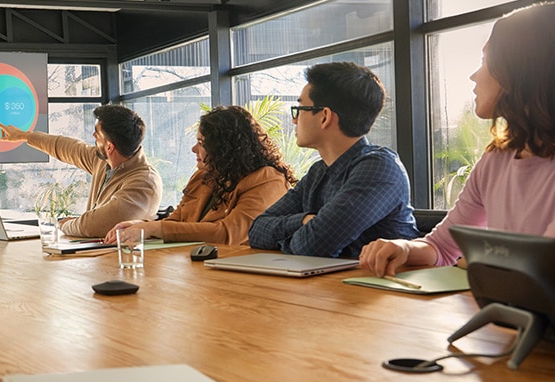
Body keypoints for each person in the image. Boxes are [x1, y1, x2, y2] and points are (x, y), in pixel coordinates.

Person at [360, 3, 555, 277]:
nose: (474, 76)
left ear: (519, 69)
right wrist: (403, 247)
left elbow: (542, 267)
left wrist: (480, 261)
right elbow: (442, 247)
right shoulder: (495, 159)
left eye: (485, 61)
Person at [247, 62, 419, 258]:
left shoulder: (380, 168)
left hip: (384, 279)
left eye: (300, 109)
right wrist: (304, 221)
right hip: (329, 277)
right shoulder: (318, 171)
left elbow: (312, 246)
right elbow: (256, 231)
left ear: (325, 116)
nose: (294, 120)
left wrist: (291, 236)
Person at [105, 106, 295, 245]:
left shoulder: (268, 179)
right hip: (198, 267)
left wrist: (153, 228)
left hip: (242, 274)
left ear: (225, 148)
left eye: (202, 143)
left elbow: (229, 234)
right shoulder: (203, 176)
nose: (194, 149)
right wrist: (140, 225)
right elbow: (176, 221)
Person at [0, 104, 163, 238]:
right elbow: (66, 147)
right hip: (98, 257)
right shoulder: (104, 161)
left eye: (97, 135)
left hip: (123, 262)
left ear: (109, 147)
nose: (93, 136)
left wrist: (63, 224)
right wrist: (25, 136)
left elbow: (94, 225)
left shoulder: (144, 182)